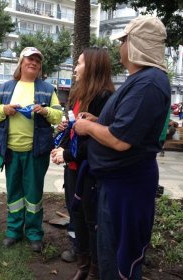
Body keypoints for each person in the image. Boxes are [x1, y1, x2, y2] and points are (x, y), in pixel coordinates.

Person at [73, 16, 171, 279]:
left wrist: (88, 128)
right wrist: (97, 120)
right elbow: (124, 125)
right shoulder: (139, 80)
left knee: (119, 261)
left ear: (137, 43)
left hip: (126, 189)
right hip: (115, 185)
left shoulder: (148, 83)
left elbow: (120, 140)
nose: (120, 47)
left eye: (124, 40)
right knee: (109, 256)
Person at [0, 47, 62, 252]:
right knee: (14, 193)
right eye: (30, 59)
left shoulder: (47, 89)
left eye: (38, 61)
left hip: (35, 152)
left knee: (33, 194)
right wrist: (4, 109)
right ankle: (13, 231)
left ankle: (34, 233)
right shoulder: (5, 88)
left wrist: (45, 110)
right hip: (11, 151)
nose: (34, 63)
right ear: (21, 62)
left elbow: (58, 116)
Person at [51, 47, 114, 279]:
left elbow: (100, 140)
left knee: (91, 221)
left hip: (90, 171)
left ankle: (96, 269)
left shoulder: (105, 98)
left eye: (79, 63)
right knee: (75, 213)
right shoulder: (78, 94)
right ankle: (83, 264)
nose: (75, 68)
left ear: (94, 66)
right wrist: (62, 142)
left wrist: (67, 154)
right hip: (73, 169)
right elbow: (74, 127)